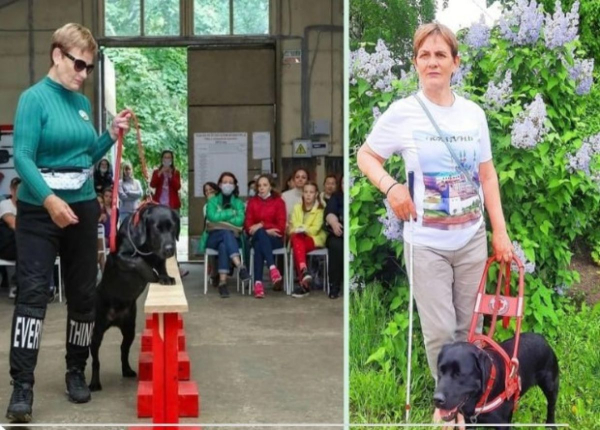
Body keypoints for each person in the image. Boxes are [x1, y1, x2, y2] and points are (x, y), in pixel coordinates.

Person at [356, 22, 513, 427]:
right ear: (415, 63)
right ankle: (446, 412)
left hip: (471, 238)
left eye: (441, 54)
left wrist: (500, 231)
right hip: (425, 243)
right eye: (424, 55)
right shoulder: (403, 113)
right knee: (441, 333)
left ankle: (467, 406)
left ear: (455, 63)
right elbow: (366, 156)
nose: (432, 62)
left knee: (471, 331)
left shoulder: (473, 115)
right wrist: (391, 188)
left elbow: (488, 175)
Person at [6, 23, 131, 422]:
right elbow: (23, 157)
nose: (84, 74)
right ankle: (22, 386)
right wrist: (48, 199)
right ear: (57, 55)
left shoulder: (81, 105)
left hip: (81, 210)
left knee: (82, 297)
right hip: (39, 213)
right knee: (33, 296)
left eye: (90, 68)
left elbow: (85, 154)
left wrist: (110, 135)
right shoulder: (33, 100)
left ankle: (76, 370)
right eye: (79, 64)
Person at [204, 172, 250, 298]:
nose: (227, 185)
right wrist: (231, 213)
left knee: (224, 244)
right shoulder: (212, 201)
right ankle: (240, 267)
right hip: (213, 237)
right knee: (226, 232)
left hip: (233, 239)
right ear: (219, 184)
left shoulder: (239, 203)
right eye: (225, 182)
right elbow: (212, 217)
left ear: (235, 186)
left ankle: (222, 283)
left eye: (231, 182)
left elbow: (240, 220)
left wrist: (222, 219)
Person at [244, 175, 285, 298]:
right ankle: (273, 268)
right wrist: (266, 229)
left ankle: (258, 283)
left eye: (265, 185)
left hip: (275, 239)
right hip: (258, 235)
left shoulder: (279, 202)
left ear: (271, 186)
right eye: (259, 185)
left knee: (258, 245)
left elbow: (281, 227)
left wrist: (261, 225)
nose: (261, 188)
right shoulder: (252, 202)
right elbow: (248, 226)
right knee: (260, 235)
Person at [288, 181, 327, 298]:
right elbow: (293, 224)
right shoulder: (296, 208)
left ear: (316, 194)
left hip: (313, 239)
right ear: (302, 194)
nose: (308, 195)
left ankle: (303, 279)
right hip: (298, 237)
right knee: (296, 239)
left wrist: (303, 228)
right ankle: (304, 275)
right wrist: (299, 229)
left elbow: (315, 229)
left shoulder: (320, 209)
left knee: (297, 243)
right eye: (306, 192)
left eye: (311, 192)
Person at [0, 178, 21, 298]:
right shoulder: (4, 204)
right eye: (17, 190)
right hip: (6, 246)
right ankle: (16, 285)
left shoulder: (26, 206)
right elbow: (13, 223)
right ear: (12, 191)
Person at [324, 176, 343, 299]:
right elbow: (329, 212)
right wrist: (334, 223)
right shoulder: (336, 197)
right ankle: (334, 286)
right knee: (336, 246)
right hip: (340, 232)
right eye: (343, 183)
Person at [201, 181, 219, 286]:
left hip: (224, 231)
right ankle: (215, 273)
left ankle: (219, 273)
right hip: (212, 232)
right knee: (212, 243)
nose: (208, 192)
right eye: (206, 191)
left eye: (210, 190)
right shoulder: (206, 207)